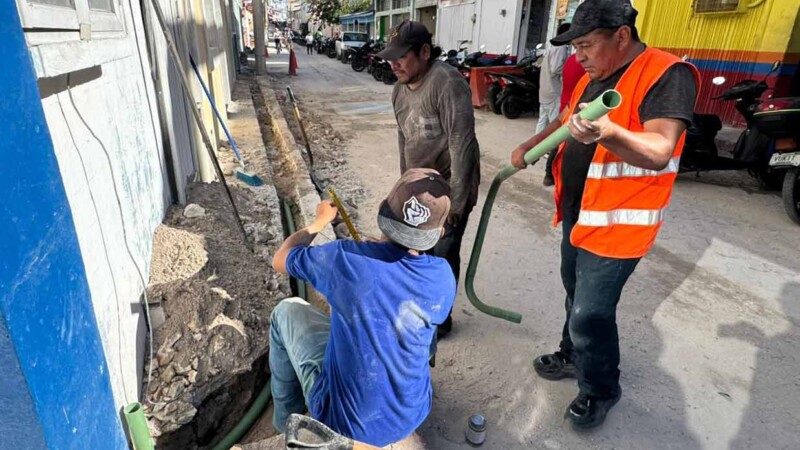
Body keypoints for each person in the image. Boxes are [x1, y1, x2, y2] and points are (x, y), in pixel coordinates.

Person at [509, 0, 698, 430]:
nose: (578, 56)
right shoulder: (592, 78)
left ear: (622, 36)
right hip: (580, 213)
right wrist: (530, 144)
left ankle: (600, 389)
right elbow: (564, 122)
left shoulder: (665, 74)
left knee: (590, 313)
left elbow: (659, 149)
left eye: (586, 45)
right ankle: (573, 354)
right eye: (574, 47)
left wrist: (608, 132)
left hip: (620, 223)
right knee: (574, 291)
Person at [269, 168, 456, 447]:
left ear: (384, 212)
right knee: (420, 321)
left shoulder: (345, 259)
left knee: (285, 311)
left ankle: (285, 425)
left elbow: (280, 259)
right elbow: (396, 280)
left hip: (343, 422)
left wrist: (319, 222)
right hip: (411, 415)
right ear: (438, 233)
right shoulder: (442, 276)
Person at [378, 20, 480, 336]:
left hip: (450, 187)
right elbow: (404, 139)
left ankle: (440, 319)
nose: (393, 64)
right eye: (390, 58)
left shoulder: (446, 82)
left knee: (442, 254)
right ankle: (420, 309)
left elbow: (462, 143)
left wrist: (456, 206)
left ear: (424, 52)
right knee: (415, 250)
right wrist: (404, 187)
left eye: (401, 57)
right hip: (419, 188)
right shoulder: (398, 90)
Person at [544, 48, 587, 186]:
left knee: (559, 138)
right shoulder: (585, 66)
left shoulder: (570, 60)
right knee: (564, 141)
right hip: (576, 104)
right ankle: (551, 173)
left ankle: (548, 173)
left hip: (566, 102)